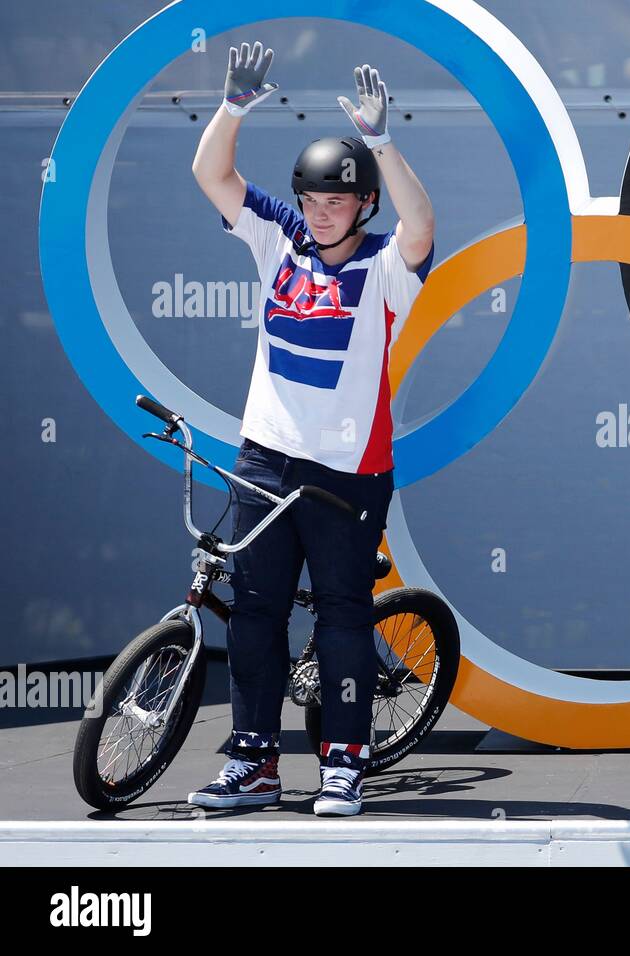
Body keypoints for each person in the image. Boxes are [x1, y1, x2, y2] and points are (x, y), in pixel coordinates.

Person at [186, 41, 435, 816]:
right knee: (256, 613)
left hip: (347, 474)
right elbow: (212, 175)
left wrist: (383, 143)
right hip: (264, 460)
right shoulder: (279, 237)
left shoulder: (388, 268)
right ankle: (254, 765)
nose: (325, 212)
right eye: (317, 200)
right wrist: (232, 108)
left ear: (365, 205)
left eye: (342, 201)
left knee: (342, 616)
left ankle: (344, 764)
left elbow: (422, 224)